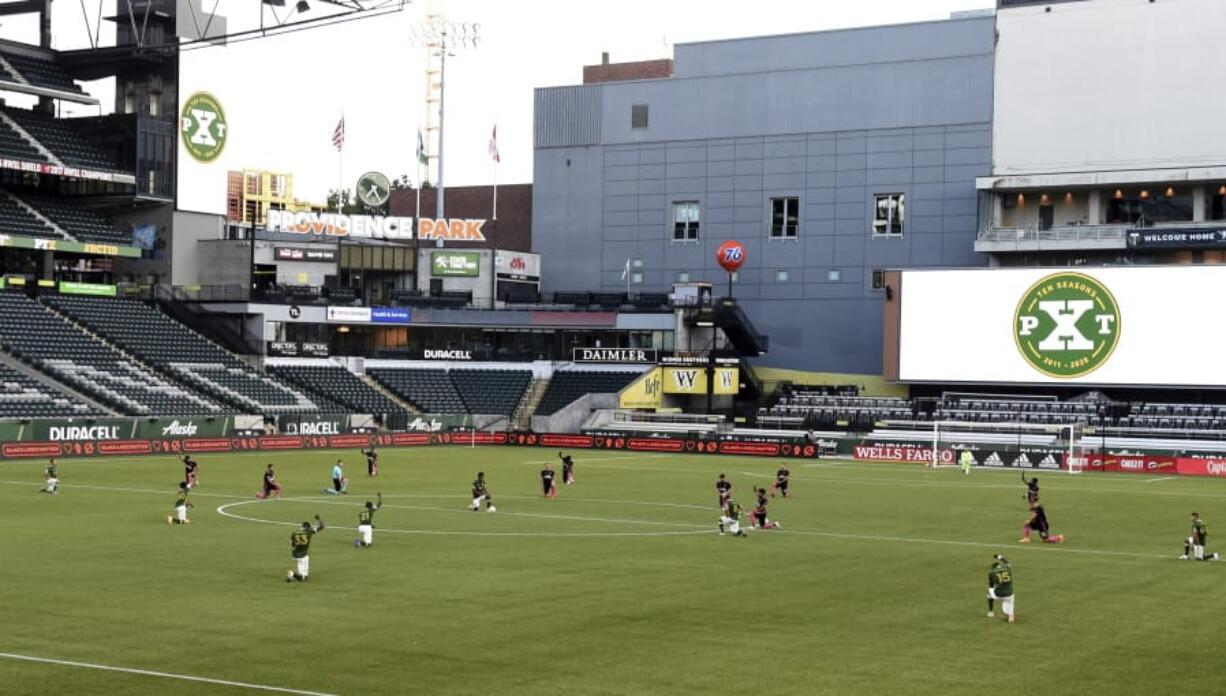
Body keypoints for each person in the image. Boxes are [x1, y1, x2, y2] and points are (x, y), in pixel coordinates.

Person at [287, 515, 325, 582]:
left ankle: (304, 576)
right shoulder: (309, 531)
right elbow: (322, 527)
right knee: (302, 578)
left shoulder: (294, 533)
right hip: (302, 555)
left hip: (295, 554)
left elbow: (293, 545)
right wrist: (318, 519)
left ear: (303, 526)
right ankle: (292, 574)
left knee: (305, 575)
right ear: (307, 527)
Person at [986, 554, 1015, 622]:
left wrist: (993, 594)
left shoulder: (991, 573)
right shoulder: (1008, 568)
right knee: (1009, 603)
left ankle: (991, 612)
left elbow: (991, 586)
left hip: (999, 594)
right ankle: (1010, 615)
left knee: (989, 595)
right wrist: (999, 557)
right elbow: (1006, 562)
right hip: (1010, 594)